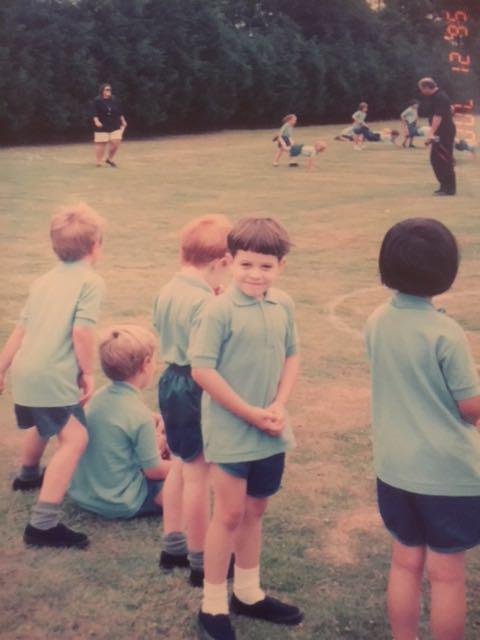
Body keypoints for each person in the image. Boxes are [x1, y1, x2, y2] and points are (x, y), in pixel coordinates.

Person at [365, 218, 480, 640]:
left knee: (404, 563)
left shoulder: (377, 319)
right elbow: (471, 408)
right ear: (446, 273)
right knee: (446, 576)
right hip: (447, 476)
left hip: (394, 470)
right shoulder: (445, 333)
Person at [191, 217, 303, 640]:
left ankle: (249, 593)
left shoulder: (284, 304)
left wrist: (277, 405)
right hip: (231, 430)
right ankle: (214, 604)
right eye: (246, 264)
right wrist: (249, 413)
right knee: (230, 514)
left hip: (271, 428)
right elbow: (202, 371)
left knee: (256, 510)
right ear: (229, 262)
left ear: (281, 266)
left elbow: (293, 356)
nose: (256, 274)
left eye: (266, 266)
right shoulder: (217, 310)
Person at [0, 204, 106, 548]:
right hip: (52, 375)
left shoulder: (42, 281)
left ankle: (28, 476)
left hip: (27, 370)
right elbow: (82, 333)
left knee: (43, 422)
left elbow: (21, 329)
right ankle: (43, 525)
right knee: (75, 438)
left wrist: (2, 366)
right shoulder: (90, 282)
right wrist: (88, 371)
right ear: (96, 246)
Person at [153, 215, 232, 587]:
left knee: (183, 464)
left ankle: (173, 544)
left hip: (170, 379)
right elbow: (208, 356)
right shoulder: (205, 302)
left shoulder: (168, 289)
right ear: (221, 263)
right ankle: (200, 561)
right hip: (193, 384)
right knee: (199, 474)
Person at [69, 325, 172, 519]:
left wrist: (155, 422)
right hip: (120, 500)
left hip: (84, 492)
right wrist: (186, 468)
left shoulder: (98, 397)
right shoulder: (138, 415)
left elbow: (124, 420)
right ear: (146, 363)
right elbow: (154, 471)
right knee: (180, 485)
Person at [418, 77, 456, 196]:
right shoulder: (439, 96)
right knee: (436, 159)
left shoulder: (439, 97)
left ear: (427, 87)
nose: (421, 92)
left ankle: (448, 189)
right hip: (442, 132)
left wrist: (431, 134)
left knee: (442, 160)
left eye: (421, 89)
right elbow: (451, 109)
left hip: (443, 133)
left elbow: (438, 117)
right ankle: (444, 186)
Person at [91, 83, 127, 168]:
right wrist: (96, 121)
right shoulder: (97, 100)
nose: (109, 91)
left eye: (110, 89)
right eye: (107, 89)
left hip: (114, 123)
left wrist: (123, 120)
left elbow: (119, 111)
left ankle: (109, 159)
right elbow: (94, 112)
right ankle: (99, 162)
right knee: (101, 144)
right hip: (102, 124)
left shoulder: (115, 99)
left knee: (116, 141)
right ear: (102, 91)